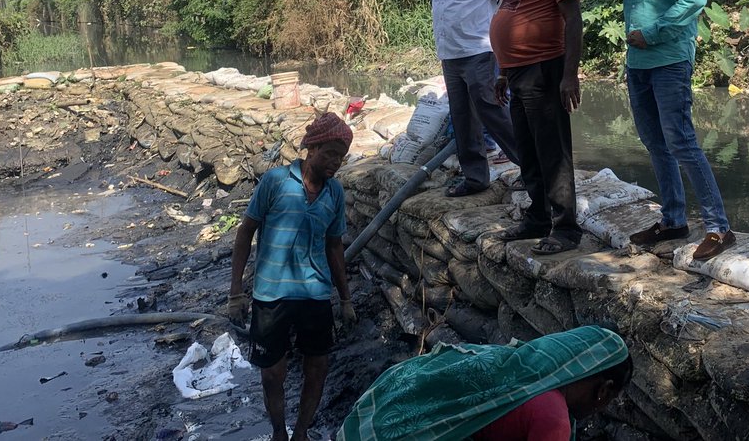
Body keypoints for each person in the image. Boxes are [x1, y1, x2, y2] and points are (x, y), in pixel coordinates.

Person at [598, 0, 735, 261]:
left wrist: (654, 32)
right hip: (637, 62)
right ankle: (673, 219)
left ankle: (719, 227)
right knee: (654, 142)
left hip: (670, 58)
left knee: (681, 141)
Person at [229, 113, 358, 441]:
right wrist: (235, 293)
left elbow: (334, 247)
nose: (334, 163)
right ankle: (278, 433)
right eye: (329, 153)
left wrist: (345, 299)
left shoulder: (335, 194)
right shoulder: (274, 182)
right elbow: (245, 233)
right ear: (310, 148)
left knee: (318, 367)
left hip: (314, 294)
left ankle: (300, 433)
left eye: (340, 158)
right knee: (273, 372)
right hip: (271, 294)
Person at [336, 325, 632, 441]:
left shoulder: (508, 361)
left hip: (373, 419)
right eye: (608, 400)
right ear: (603, 389)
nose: (600, 408)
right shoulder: (553, 418)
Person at [489, 0, 583, 255]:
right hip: (516, 73)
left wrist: (569, 75)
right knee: (527, 148)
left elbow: (573, 19)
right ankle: (538, 216)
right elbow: (510, 12)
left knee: (552, 150)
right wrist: (502, 71)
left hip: (545, 68)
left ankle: (566, 228)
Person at [422, 0, 520, 196]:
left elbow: (506, 1)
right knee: (463, 119)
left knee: (494, 115)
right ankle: (476, 178)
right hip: (450, 54)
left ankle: (532, 168)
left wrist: (505, 49)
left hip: (480, 50)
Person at [458, 0, 513, 163]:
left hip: (493, 41)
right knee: (487, 96)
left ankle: (510, 148)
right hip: (475, 43)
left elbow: (508, 2)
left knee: (500, 95)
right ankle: (490, 142)